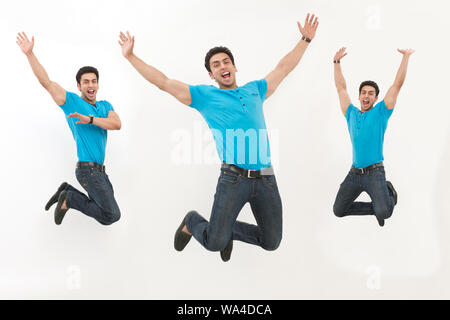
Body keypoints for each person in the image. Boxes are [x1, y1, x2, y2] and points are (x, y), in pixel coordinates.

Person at [119, 14, 319, 261]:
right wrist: (130, 57)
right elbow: (163, 82)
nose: (223, 66)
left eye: (226, 62)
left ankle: (228, 231)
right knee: (214, 243)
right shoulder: (205, 96)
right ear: (212, 75)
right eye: (216, 65)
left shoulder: (255, 89)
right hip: (233, 179)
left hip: (266, 178)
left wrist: (305, 39)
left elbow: (284, 68)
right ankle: (193, 222)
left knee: (271, 242)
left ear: (235, 67)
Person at [17, 32, 122, 226]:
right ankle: (70, 199)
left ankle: (68, 191)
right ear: (79, 85)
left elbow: (116, 124)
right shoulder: (72, 102)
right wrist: (30, 54)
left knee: (108, 212)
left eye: (94, 81)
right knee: (111, 215)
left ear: (98, 84)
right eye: (86, 82)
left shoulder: (105, 106)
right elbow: (46, 83)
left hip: (99, 172)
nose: (91, 85)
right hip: (87, 170)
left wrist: (90, 119)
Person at [332, 46, 414, 226]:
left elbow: (397, 85)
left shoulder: (380, 112)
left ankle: (388, 195)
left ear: (376, 98)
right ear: (359, 96)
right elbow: (340, 88)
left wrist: (406, 57)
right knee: (339, 210)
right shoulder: (351, 113)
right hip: (354, 174)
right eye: (363, 93)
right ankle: (376, 207)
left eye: (371, 93)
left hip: (374, 172)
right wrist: (336, 62)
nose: (366, 96)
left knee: (385, 212)